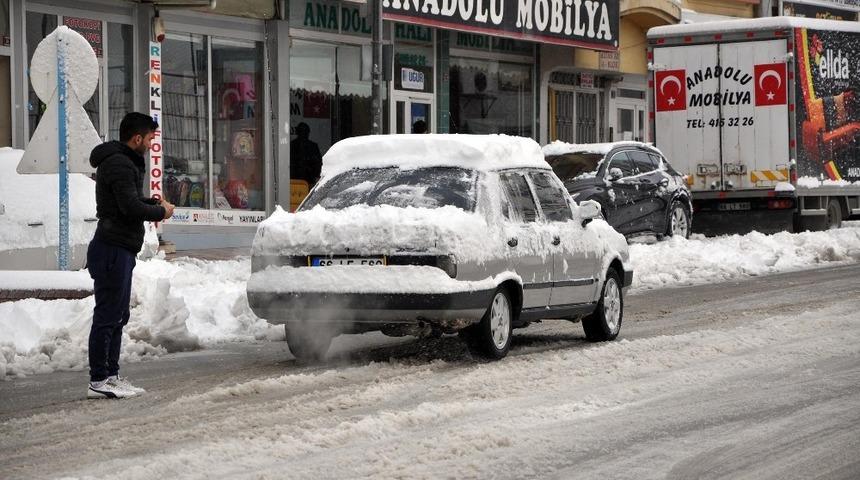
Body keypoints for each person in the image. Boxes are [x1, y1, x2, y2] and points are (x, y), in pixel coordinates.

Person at [86, 112, 175, 399]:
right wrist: (160, 211)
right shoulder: (120, 164)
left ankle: (110, 375)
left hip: (118, 247)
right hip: (112, 248)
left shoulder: (123, 163)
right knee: (108, 315)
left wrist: (149, 203)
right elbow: (129, 209)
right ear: (137, 138)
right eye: (149, 139)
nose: (151, 144)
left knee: (118, 315)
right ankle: (99, 379)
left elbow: (128, 202)